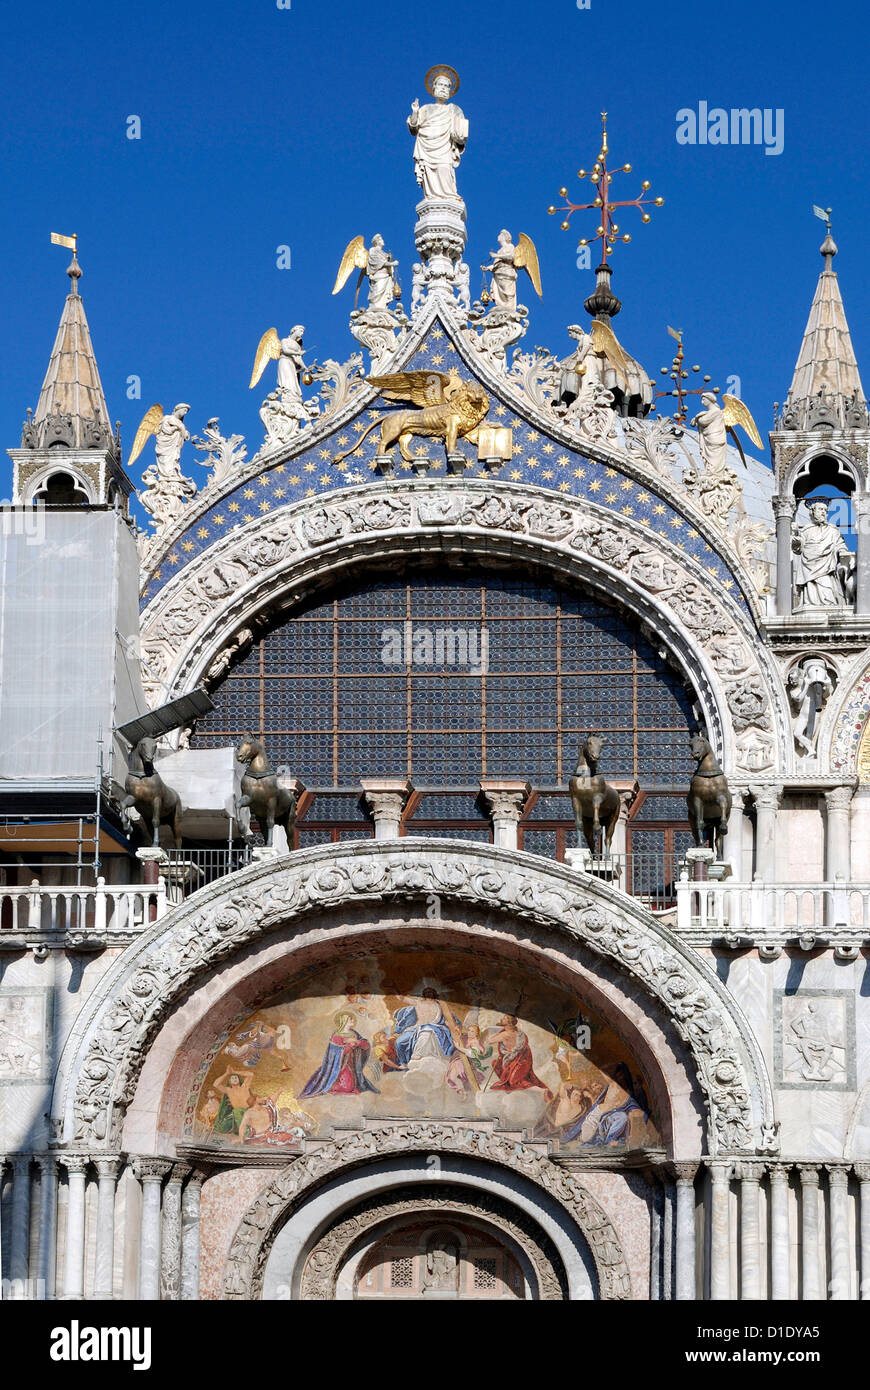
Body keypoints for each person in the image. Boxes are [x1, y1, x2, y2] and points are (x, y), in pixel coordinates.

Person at [407, 70, 468, 200]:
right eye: (441, 85)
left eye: (447, 86)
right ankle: (431, 197)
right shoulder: (426, 109)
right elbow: (413, 127)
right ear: (434, 88)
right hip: (426, 149)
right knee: (430, 179)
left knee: (444, 169)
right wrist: (415, 112)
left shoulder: (454, 110)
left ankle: (449, 197)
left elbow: (461, 136)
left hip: (445, 148)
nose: (444, 89)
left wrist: (460, 135)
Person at [792, 499, 855, 608]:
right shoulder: (806, 530)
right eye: (820, 509)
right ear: (813, 512)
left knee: (827, 589)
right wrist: (795, 540)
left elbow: (839, 544)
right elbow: (799, 548)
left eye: (825, 510)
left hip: (826, 568)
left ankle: (827, 604)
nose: (823, 512)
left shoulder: (832, 530)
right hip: (809, 568)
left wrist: (842, 551)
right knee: (811, 591)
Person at [299, 1012, 379, 1097]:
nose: (352, 1020)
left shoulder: (354, 1033)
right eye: (350, 1019)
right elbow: (336, 1053)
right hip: (340, 1066)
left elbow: (366, 1045)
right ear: (344, 1021)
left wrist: (356, 1042)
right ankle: (329, 1086)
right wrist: (351, 1045)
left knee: (355, 1085)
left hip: (353, 1064)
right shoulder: (336, 1036)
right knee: (347, 1088)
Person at [487, 1015, 551, 1096]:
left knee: (514, 1081)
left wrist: (497, 1032)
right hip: (520, 1058)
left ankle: (541, 1091)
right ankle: (509, 1085)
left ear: (509, 1022)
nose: (501, 1019)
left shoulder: (505, 1034)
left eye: (504, 1018)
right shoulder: (518, 1031)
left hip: (519, 1061)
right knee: (495, 1063)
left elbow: (489, 1041)